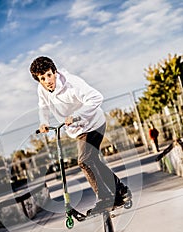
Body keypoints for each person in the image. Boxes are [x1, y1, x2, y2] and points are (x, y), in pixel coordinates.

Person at [29, 56, 130, 215]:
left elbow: (97, 97)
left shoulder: (72, 83)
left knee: (85, 161)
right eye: (42, 78)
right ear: (39, 80)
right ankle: (120, 191)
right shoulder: (42, 89)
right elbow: (43, 107)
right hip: (78, 130)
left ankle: (104, 199)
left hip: (93, 123)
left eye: (49, 75)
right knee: (93, 159)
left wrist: (77, 115)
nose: (47, 81)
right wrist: (44, 122)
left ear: (54, 71)